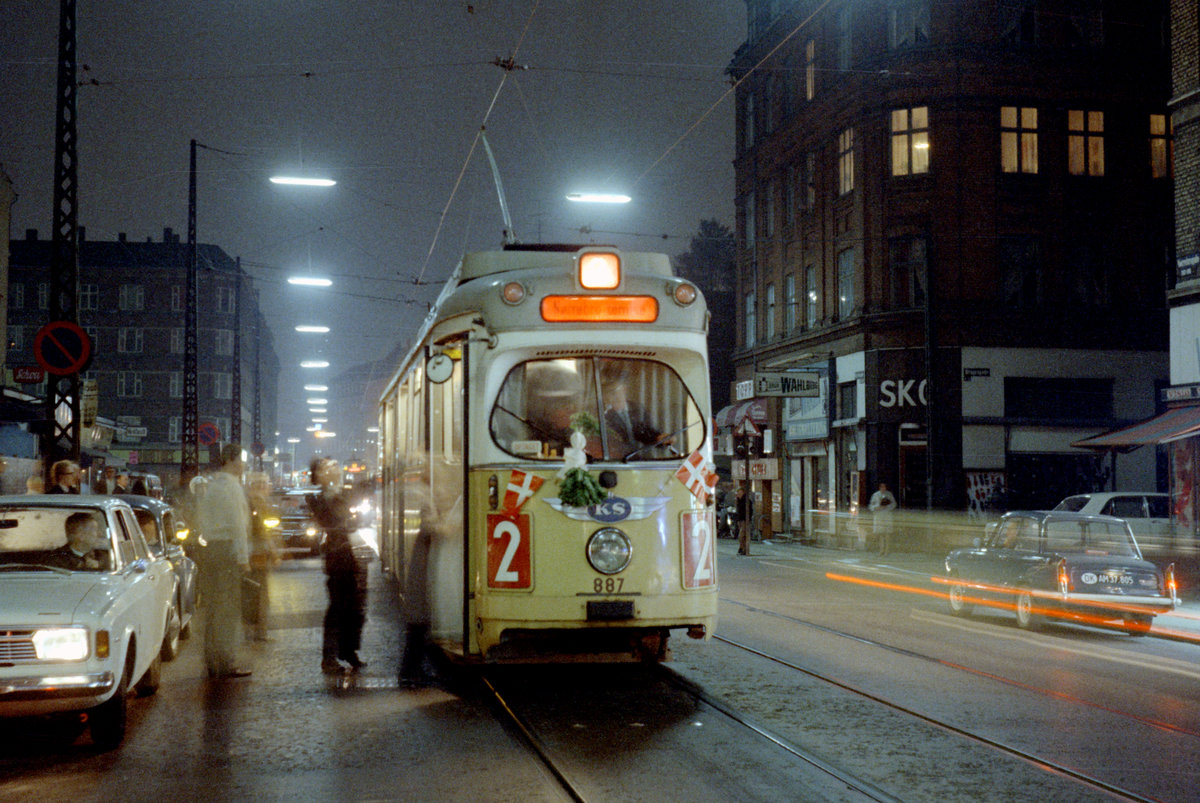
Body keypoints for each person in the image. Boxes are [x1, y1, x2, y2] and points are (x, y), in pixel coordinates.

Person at [195, 444, 253, 679]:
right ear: (229, 460)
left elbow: (201, 520)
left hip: (211, 551)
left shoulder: (212, 486)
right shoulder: (231, 487)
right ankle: (225, 662)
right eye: (240, 460)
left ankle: (212, 662)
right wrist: (243, 558)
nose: (243, 465)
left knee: (213, 609)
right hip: (228, 552)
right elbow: (238, 525)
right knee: (228, 610)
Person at [308, 456, 367, 674]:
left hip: (347, 554)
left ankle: (348, 651)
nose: (335, 468)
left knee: (354, 606)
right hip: (336, 557)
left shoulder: (340, 493)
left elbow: (351, 521)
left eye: (335, 465)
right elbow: (333, 520)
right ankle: (329, 657)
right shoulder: (321, 498)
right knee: (337, 607)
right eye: (329, 467)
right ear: (319, 475)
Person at [244, 472, 278, 643]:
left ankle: (254, 631)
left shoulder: (260, 503)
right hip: (255, 553)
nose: (262, 487)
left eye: (264, 484)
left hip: (255, 552)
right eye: (258, 484)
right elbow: (262, 531)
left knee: (255, 593)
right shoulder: (253, 504)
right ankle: (257, 633)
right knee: (258, 593)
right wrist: (273, 551)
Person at [45, 512, 110, 571]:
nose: (100, 534)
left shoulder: (104, 557)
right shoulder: (56, 559)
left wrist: (99, 567)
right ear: (80, 535)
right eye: (95, 530)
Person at [869, 482, 898, 556]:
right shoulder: (875, 495)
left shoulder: (889, 495)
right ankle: (881, 550)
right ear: (879, 488)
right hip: (879, 516)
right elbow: (871, 505)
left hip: (887, 515)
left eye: (884, 487)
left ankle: (887, 550)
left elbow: (894, 504)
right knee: (881, 534)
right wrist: (876, 508)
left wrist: (887, 507)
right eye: (882, 487)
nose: (883, 488)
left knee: (887, 534)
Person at [736, 485, 754, 555]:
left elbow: (750, 510)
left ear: (743, 493)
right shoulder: (738, 500)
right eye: (738, 493)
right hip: (740, 520)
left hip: (745, 520)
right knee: (742, 535)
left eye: (740, 493)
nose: (738, 494)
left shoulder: (746, 501)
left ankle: (742, 548)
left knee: (742, 535)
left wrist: (748, 519)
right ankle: (743, 548)